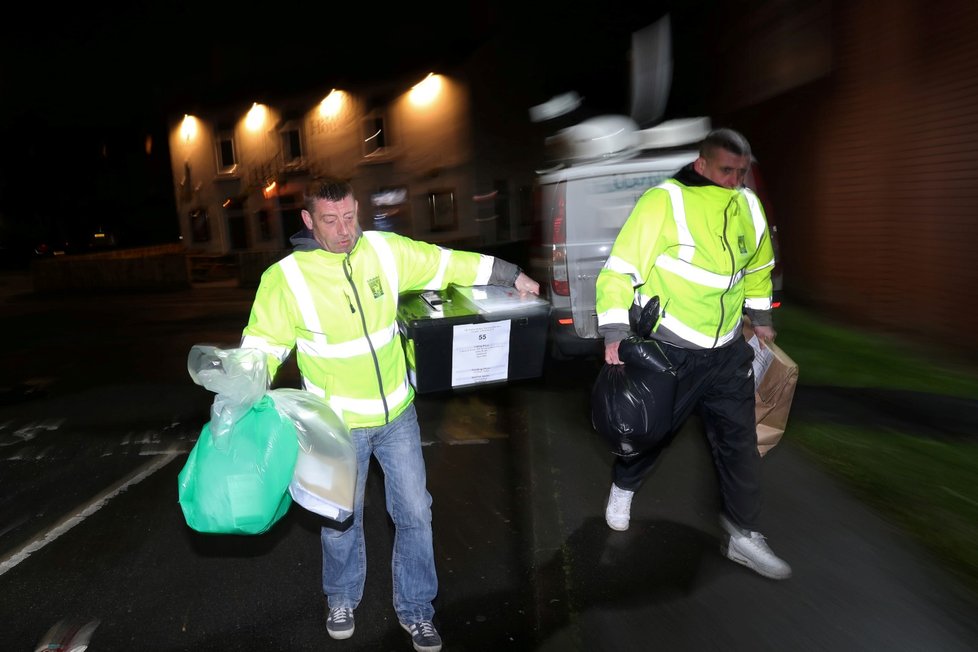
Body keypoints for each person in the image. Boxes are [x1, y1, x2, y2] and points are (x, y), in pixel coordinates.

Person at [240, 176, 539, 651]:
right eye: (330, 220)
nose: (344, 230)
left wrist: (508, 273)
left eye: (349, 217)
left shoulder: (384, 251)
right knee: (341, 519)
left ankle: (417, 609)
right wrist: (241, 382)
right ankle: (340, 596)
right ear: (307, 220)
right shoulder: (287, 278)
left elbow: (445, 263)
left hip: (397, 415)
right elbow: (262, 343)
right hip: (336, 428)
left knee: (416, 513)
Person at [594, 128, 791, 580]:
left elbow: (758, 266)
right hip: (672, 348)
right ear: (702, 165)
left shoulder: (749, 205)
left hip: (726, 350)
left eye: (742, 173)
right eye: (726, 171)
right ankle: (624, 484)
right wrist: (613, 334)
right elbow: (619, 271)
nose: (735, 181)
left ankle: (745, 534)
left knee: (739, 441)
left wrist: (759, 319)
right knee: (654, 432)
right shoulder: (665, 201)